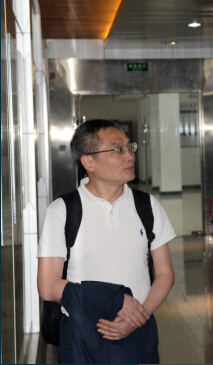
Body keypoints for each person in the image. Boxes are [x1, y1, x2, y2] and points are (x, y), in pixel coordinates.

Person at [37, 119, 176, 363]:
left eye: (129, 147)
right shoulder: (62, 211)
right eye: (118, 149)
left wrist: (138, 317)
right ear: (88, 162)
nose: (130, 156)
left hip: (140, 331)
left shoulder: (147, 206)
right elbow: (48, 286)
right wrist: (113, 300)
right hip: (83, 336)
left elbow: (165, 273)